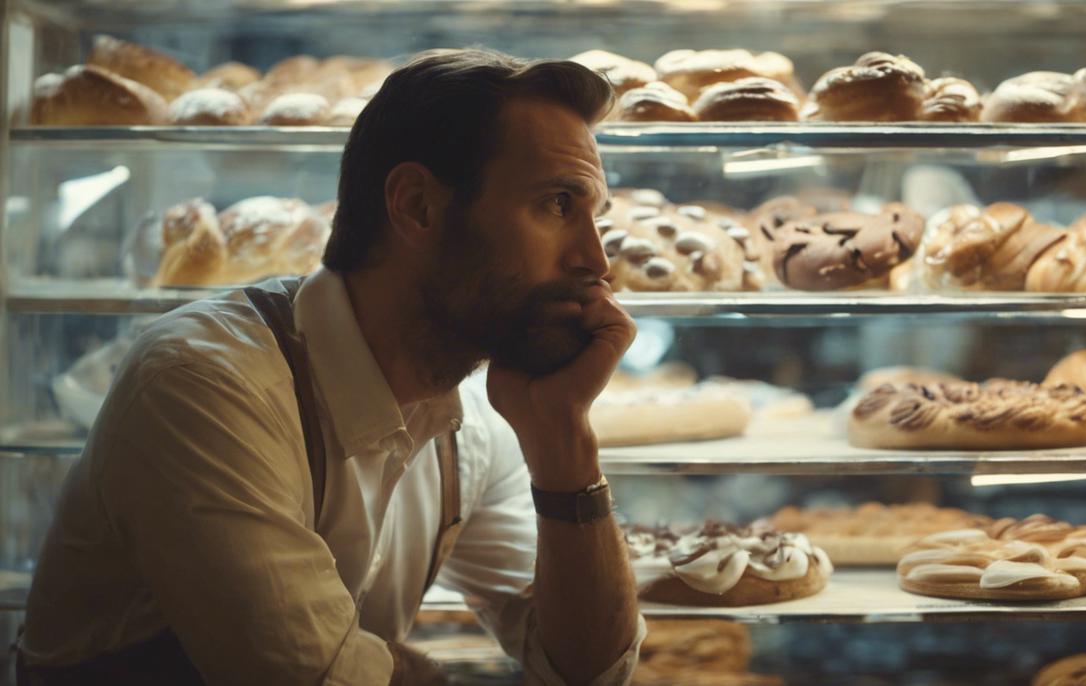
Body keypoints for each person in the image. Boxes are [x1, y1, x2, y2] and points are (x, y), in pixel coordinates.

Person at [18, 48, 645, 685]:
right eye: (559, 205)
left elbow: (589, 667)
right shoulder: (205, 382)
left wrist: (564, 437)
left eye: (595, 216)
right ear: (417, 206)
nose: (596, 260)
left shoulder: (471, 424)